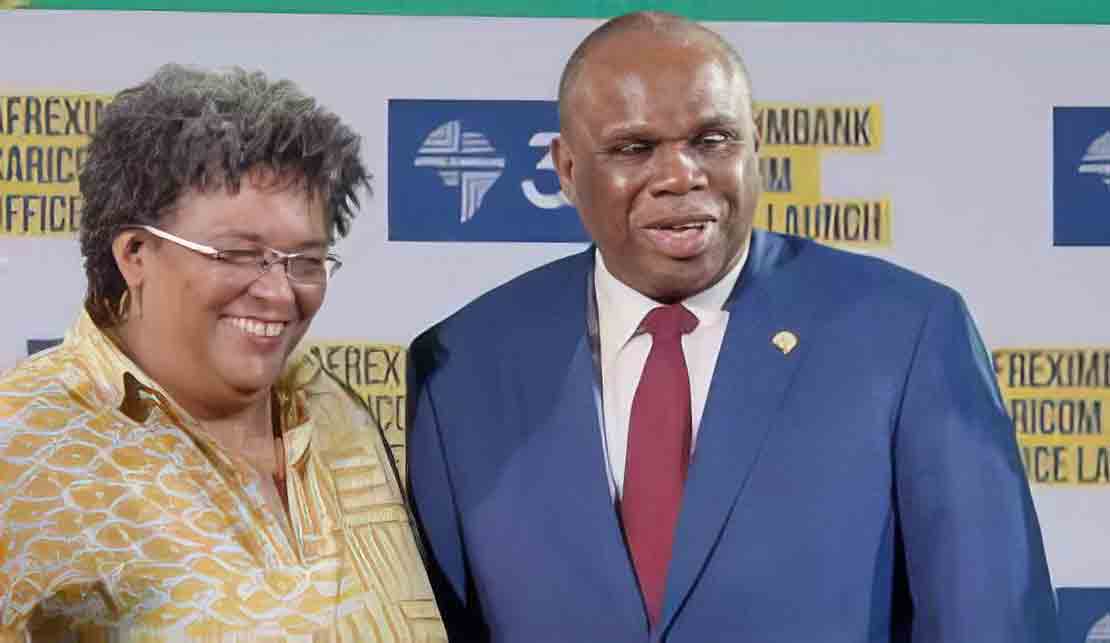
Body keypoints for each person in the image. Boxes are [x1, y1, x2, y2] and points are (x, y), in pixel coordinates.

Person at [407, 11, 1057, 642]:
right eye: (635, 148)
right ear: (568, 169)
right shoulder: (461, 364)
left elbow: (992, 622)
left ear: (755, 144)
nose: (681, 175)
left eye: (712, 140)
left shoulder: (908, 334)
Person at [0, 65, 446, 642]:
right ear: (135, 254)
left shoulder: (338, 412)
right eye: (239, 254)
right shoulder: (22, 443)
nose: (280, 293)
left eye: (305, 260)